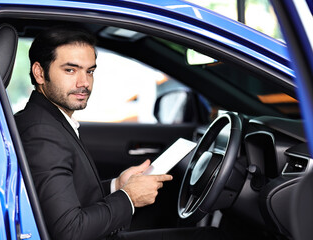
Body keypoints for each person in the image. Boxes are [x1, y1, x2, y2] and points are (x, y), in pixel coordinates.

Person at [15, 26, 228, 240]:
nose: (84, 83)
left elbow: (70, 196)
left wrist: (118, 185)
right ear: (40, 73)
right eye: (70, 70)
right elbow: (69, 231)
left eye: (89, 71)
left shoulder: (48, 120)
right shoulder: (42, 133)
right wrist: (129, 197)